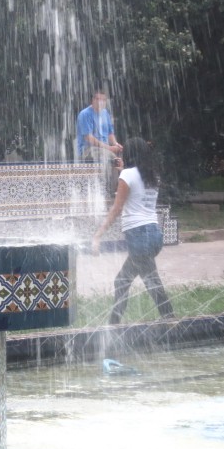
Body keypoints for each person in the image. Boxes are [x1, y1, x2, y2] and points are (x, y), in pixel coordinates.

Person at [91, 137, 174, 324]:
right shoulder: (153, 176)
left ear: (129, 154)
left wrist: (98, 235)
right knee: (126, 281)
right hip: (154, 235)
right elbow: (138, 191)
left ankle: (169, 321)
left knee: (148, 282)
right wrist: (123, 172)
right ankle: (115, 325)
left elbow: (117, 209)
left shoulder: (127, 176)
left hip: (138, 237)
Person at [77, 88, 123, 194]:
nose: (100, 102)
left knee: (125, 154)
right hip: (88, 150)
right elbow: (89, 138)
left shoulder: (105, 113)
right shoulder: (85, 114)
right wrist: (109, 148)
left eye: (103, 100)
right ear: (92, 100)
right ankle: (110, 191)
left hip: (104, 149)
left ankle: (123, 187)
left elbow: (110, 134)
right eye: (97, 99)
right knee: (111, 157)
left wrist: (116, 144)